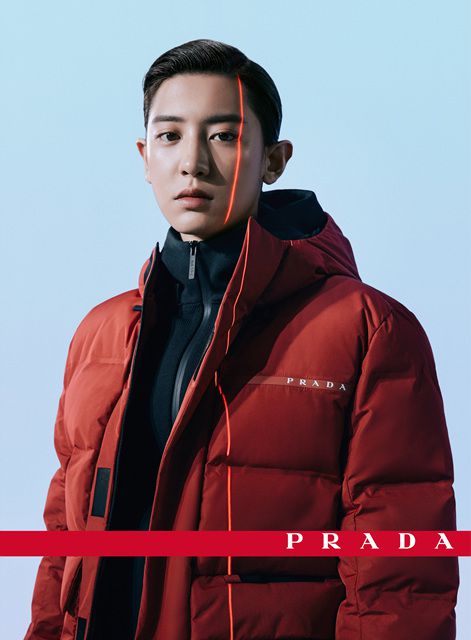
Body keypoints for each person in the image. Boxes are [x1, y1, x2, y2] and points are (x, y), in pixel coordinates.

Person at [24, 38, 459, 640]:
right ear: (145, 156)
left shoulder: (366, 331)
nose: (193, 163)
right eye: (170, 136)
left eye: (224, 136)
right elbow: (63, 546)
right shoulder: (102, 333)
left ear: (274, 160)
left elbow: (400, 576)